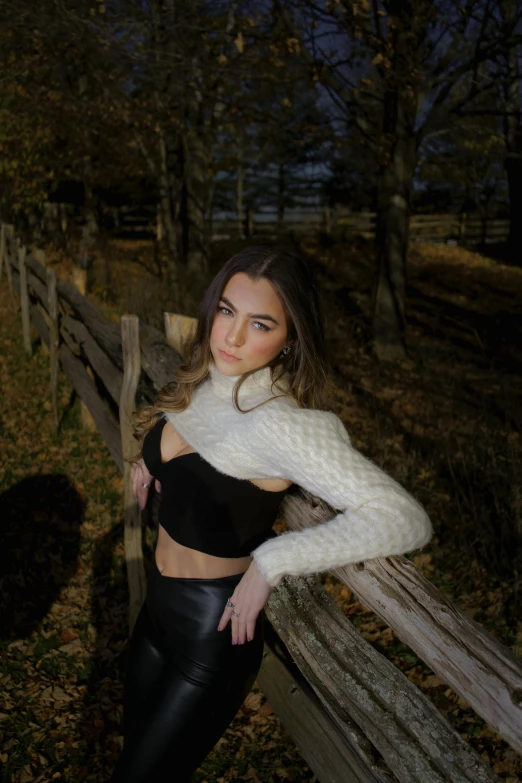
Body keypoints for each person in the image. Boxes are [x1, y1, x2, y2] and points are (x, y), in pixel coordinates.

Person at [111, 245, 432, 782]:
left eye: (260, 324)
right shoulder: (207, 382)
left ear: (291, 339)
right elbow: (190, 437)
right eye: (227, 312)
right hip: (156, 612)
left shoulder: (284, 423)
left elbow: (402, 515)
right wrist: (152, 460)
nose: (232, 337)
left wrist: (271, 561)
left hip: (211, 635)